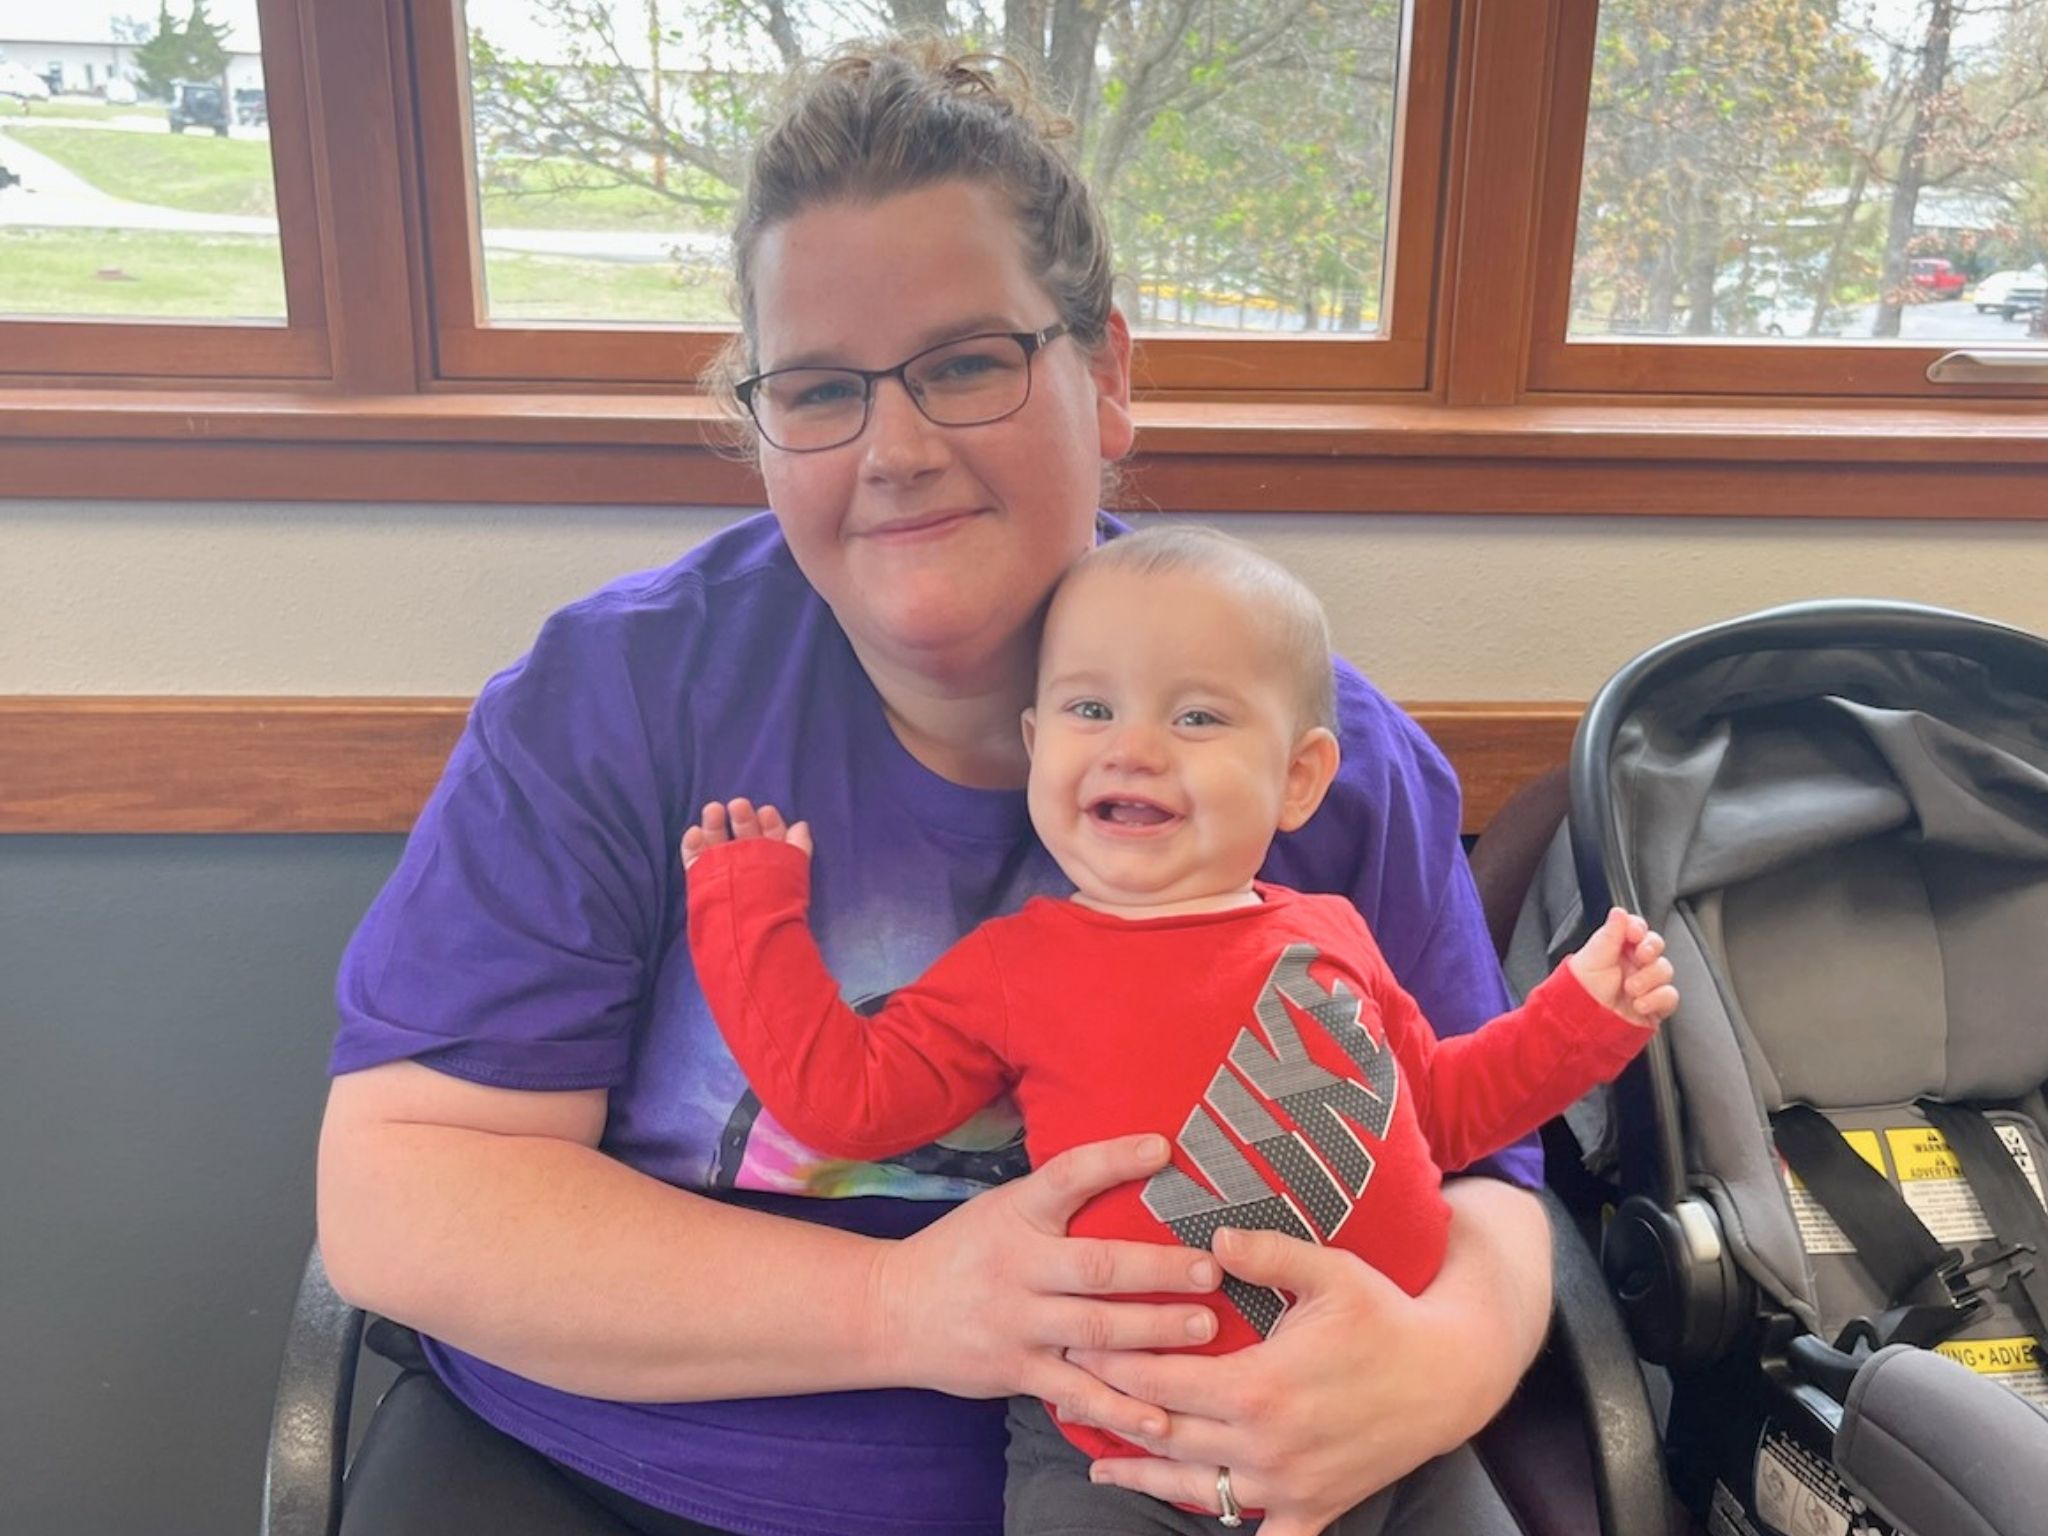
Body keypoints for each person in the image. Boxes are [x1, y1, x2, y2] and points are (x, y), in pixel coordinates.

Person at [319, 37, 1566, 1536]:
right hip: (638, 1486)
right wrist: (906, 1304)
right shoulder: (617, 705)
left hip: (1222, 1492)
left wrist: (1447, 1360)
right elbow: (405, 1193)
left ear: (1105, 378)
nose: (895, 449)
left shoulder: (1323, 756)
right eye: (821, 389)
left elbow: (1488, 1163)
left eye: (967, 363)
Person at [680, 527, 1676, 1533]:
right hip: (1120, 1460)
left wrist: (1583, 1015)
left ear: (1297, 777)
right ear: (1036, 745)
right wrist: (745, 913)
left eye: (1196, 715)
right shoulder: (1013, 967)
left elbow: (1448, 1117)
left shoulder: (1332, 936)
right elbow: (841, 1099)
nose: (1133, 745)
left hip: (1386, 1444)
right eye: (1088, 708)